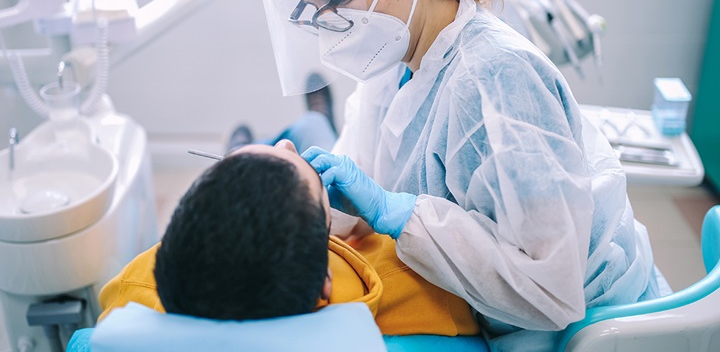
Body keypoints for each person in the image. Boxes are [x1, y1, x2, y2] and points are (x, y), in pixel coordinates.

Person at [249, 0, 665, 350]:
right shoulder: (394, 61)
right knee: (310, 135)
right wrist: (313, 197)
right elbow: (362, 166)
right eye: (316, 10)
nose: (332, 23)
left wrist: (400, 215)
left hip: (579, 329)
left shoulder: (497, 79)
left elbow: (551, 288)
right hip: (489, 304)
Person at [92, 140, 480, 340]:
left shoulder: (134, 287)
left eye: (230, 163)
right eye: (322, 199)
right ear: (324, 284)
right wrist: (375, 221)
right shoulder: (416, 288)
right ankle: (308, 120)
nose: (286, 150)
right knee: (308, 129)